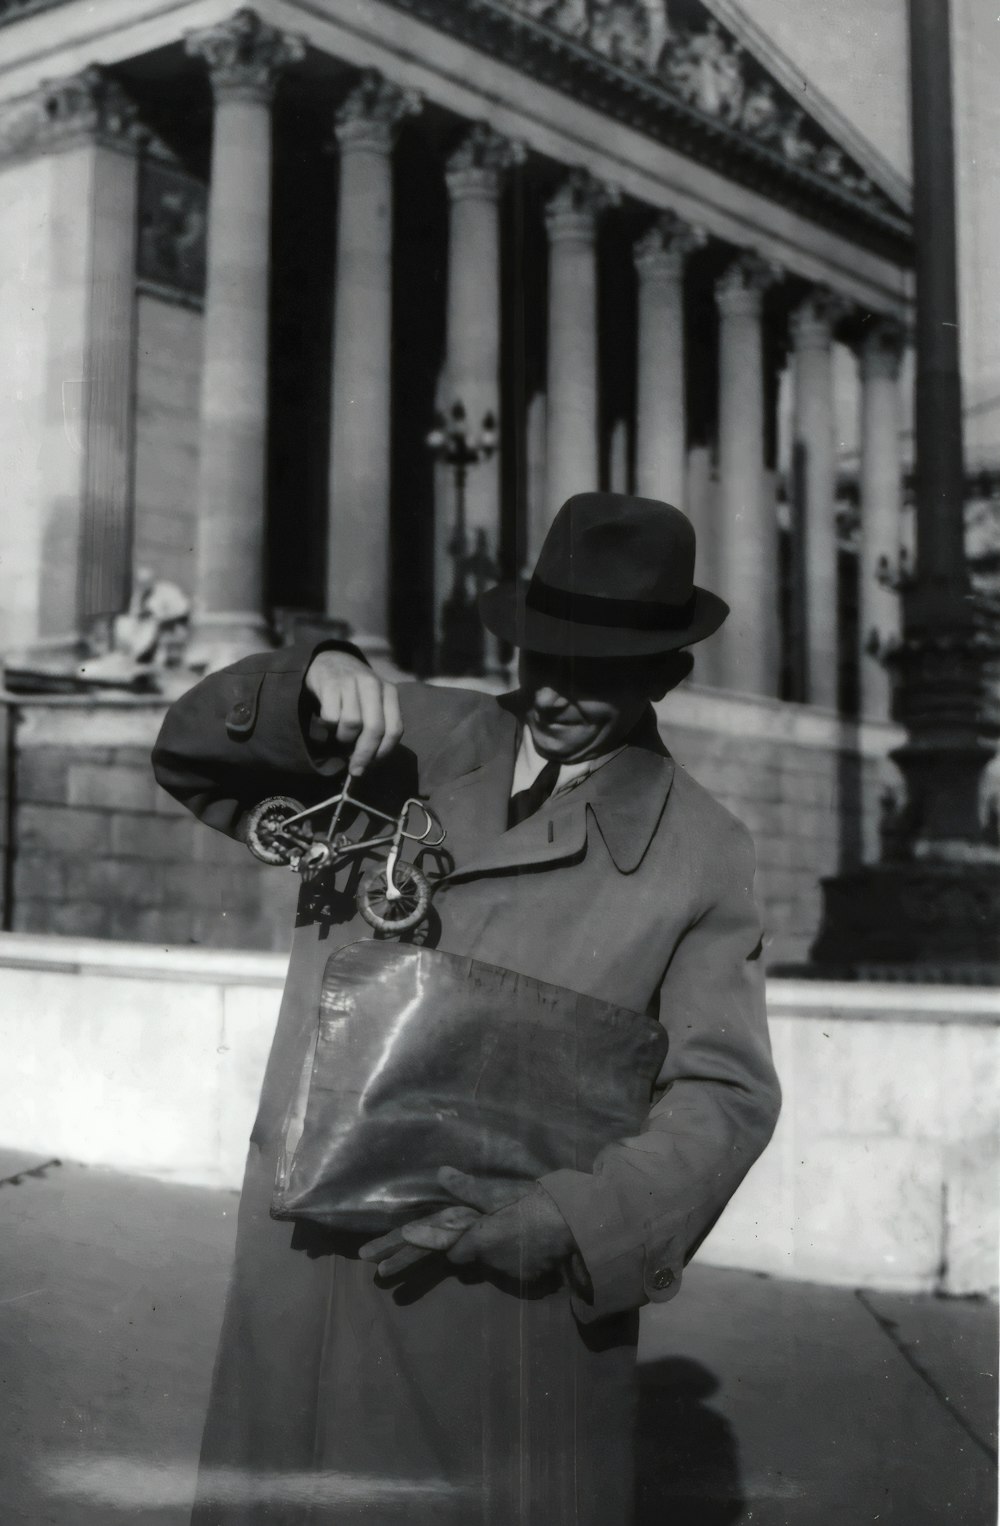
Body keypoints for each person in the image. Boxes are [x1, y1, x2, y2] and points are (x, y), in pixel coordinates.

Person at [152, 491, 781, 1525]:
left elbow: (724, 1094)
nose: (558, 692)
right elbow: (192, 755)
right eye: (543, 653)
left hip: (491, 1314)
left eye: (601, 668)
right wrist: (311, 671)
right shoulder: (412, 734)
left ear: (666, 674)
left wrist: (564, 1226)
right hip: (301, 1288)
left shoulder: (704, 854)